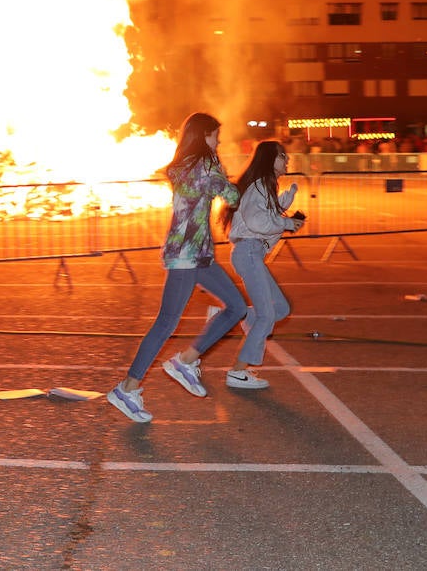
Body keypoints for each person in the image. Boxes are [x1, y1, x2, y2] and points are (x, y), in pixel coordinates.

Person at [107, 113, 243, 423]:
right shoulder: (204, 167)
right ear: (203, 135)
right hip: (187, 254)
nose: (218, 141)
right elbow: (232, 195)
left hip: (197, 254)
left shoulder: (185, 166)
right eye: (214, 136)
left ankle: (186, 360)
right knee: (167, 321)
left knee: (236, 306)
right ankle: (127, 388)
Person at [224, 140, 305, 390]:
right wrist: (288, 224)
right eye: (283, 156)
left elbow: (265, 214)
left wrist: (285, 203)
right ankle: (238, 372)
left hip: (252, 253)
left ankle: (228, 316)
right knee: (267, 314)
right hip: (248, 251)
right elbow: (258, 221)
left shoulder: (263, 186)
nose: (287, 160)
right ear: (270, 159)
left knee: (279, 308)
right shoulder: (259, 185)